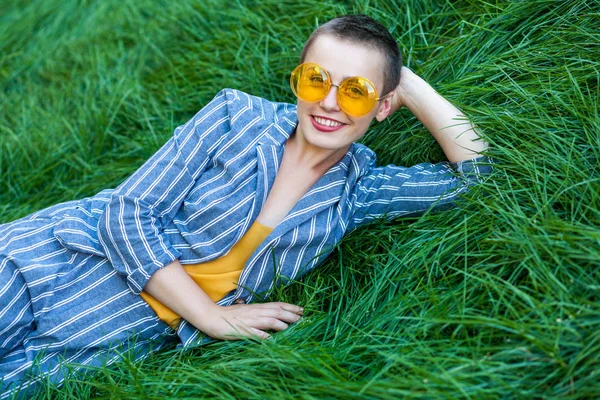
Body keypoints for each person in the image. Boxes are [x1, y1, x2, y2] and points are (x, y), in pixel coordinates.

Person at [0, 14, 492, 397]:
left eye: (357, 91)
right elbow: (124, 215)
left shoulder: (355, 193)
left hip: (104, 338)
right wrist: (211, 317)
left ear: (383, 107)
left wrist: (409, 84)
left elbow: (476, 179)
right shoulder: (235, 116)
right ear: (297, 80)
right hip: (46, 264)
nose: (330, 103)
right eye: (317, 79)